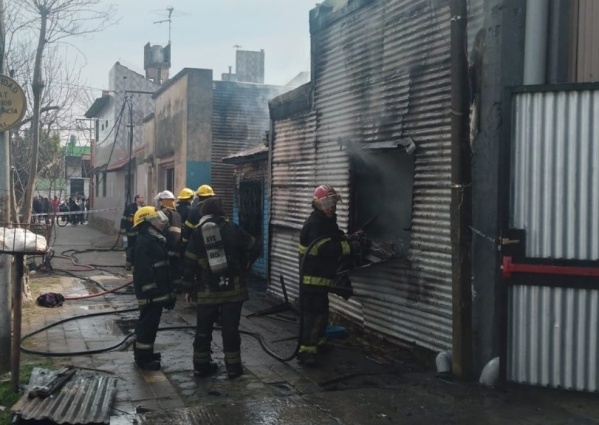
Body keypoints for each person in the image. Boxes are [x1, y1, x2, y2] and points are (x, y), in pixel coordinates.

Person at [182, 196, 260, 379]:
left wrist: (188, 288)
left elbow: (189, 262)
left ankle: (200, 366)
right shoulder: (233, 228)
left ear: (204, 212)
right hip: (234, 291)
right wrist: (245, 266)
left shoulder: (198, 232)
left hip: (207, 292)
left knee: (203, 330)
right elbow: (254, 247)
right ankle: (233, 368)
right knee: (230, 330)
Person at [297, 185, 359, 367]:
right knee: (312, 315)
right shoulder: (314, 224)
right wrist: (350, 247)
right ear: (317, 204)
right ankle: (306, 351)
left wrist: (349, 238)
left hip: (321, 279)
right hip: (311, 280)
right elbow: (326, 248)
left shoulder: (327, 221)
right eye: (327, 203)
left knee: (322, 313)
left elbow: (335, 236)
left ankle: (319, 342)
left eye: (333, 202)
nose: (331, 206)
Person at [131, 206, 177, 370]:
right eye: (156, 219)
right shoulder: (145, 241)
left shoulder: (154, 239)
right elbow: (143, 270)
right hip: (150, 294)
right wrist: (151, 291)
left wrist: (168, 294)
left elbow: (162, 268)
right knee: (147, 325)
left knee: (151, 325)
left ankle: (147, 353)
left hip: (156, 293)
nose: (160, 222)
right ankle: (143, 359)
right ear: (147, 223)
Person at [154, 190, 182, 276]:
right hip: (176, 248)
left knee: (165, 273)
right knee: (175, 272)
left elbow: (158, 230)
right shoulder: (177, 214)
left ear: (164, 200)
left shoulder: (164, 213)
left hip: (166, 249)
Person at [181, 184, 216, 253]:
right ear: (212, 197)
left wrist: (184, 245)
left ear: (198, 197)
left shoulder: (194, 211)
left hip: (197, 247)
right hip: (214, 247)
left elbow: (187, 231)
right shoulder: (217, 210)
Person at [120, 194, 146, 271]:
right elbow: (123, 220)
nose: (143, 199)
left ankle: (136, 264)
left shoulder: (144, 208)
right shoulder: (129, 208)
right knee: (129, 249)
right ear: (137, 199)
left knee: (139, 249)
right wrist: (123, 231)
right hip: (130, 233)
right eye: (142, 197)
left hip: (140, 234)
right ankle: (128, 264)